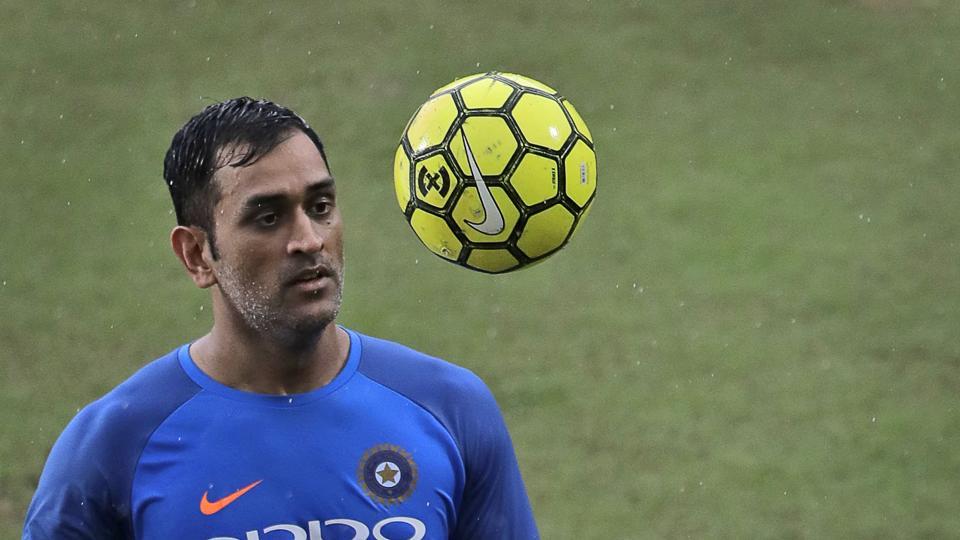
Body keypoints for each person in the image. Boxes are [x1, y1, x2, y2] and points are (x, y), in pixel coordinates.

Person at [23, 97, 539, 540]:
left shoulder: (450, 409)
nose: (308, 240)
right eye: (268, 217)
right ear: (197, 255)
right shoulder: (114, 443)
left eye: (320, 206)